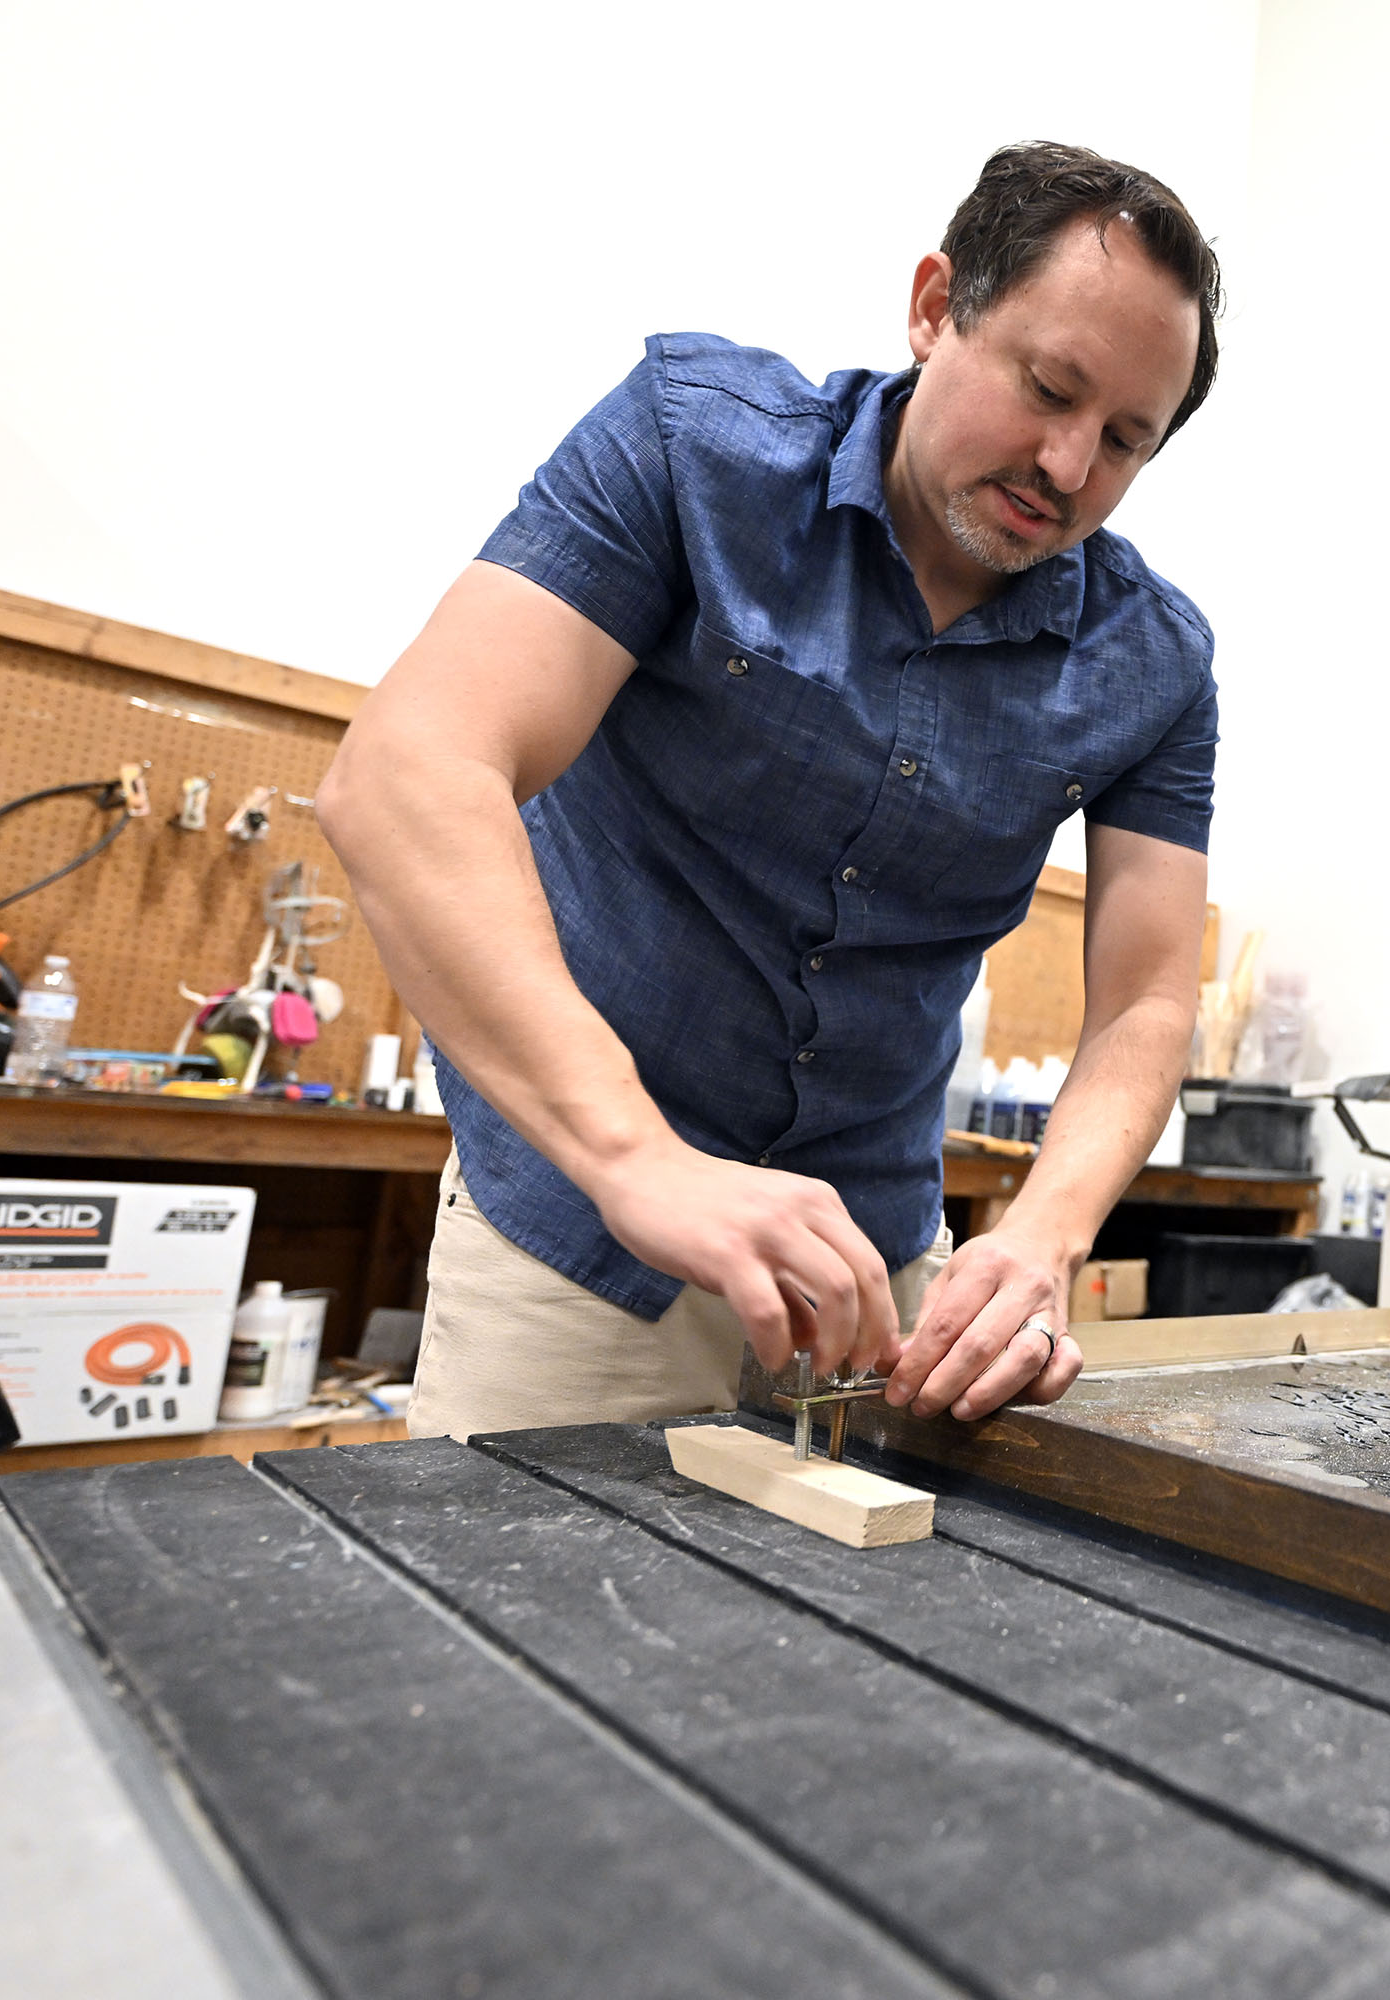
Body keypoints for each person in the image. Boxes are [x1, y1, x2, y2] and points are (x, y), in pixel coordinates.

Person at [320, 142, 1221, 1440]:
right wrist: (636, 1158)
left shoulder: (1156, 662)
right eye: (1047, 388)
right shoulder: (696, 451)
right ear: (934, 306)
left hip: (874, 1286)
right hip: (583, 1241)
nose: (1069, 468)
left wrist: (1043, 1240)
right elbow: (407, 772)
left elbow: (1145, 999)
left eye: (1125, 440)